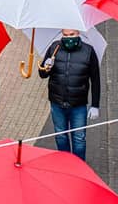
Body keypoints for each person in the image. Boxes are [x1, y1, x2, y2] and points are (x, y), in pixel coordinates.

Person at [38, 28, 102, 161]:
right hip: (57, 102)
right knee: (61, 136)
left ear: (78, 33)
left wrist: (95, 105)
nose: (68, 38)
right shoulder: (54, 48)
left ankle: (79, 166)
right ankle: (65, 164)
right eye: (65, 35)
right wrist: (46, 67)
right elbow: (43, 74)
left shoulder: (88, 51)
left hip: (78, 105)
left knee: (79, 138)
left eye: (71, 35)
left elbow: (95, 79)